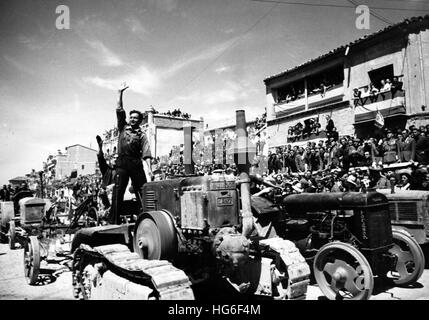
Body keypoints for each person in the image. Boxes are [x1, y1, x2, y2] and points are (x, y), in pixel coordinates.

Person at [114, 83, 152, 224]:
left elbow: (146, 153)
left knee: (142, 190)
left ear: (140, 120)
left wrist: (150, 168)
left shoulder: (142, 135)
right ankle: (115, 220)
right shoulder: (122, 127)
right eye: (131, 117)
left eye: (136, 118)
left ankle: (146, 217)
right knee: (118, 191)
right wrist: (120, 92)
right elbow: (119, 109)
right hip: (122, 163)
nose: (132, 119)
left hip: (135, 163)